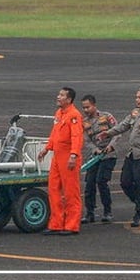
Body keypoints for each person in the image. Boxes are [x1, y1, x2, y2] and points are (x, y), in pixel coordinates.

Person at [97, 87, 140, 228]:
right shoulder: (135, 112)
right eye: (136, 97)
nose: (136, 100)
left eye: (139, 97)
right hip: (131, 154)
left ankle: (139, 214)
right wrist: (108, 133)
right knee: (125, 182)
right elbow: (123, 126)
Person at [37, 87, 84, 235]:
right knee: (53, 189)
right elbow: (55, 133)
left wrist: (73, 155)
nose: (58, 97)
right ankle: (56, 223)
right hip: (57, 156)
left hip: (68, 156)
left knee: (71, 191)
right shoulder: (59, 114)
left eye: (62, 95)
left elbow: (77, 137)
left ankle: (71, 225)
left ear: (69, 99)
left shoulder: (74, 115)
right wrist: (47, 148)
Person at [80, 94, 119, 224]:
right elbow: (86, 140)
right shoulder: (84, 122)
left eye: (87, 107)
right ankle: (90, 212)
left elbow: (117, 133)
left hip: (108, 155)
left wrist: (110, 146)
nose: (85, 110)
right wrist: (94, 149)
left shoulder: (107, 116)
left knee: (101, 181)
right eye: (84, 108)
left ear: (94, 105)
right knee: (89, 183)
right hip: (95, 156)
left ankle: (107, 211)